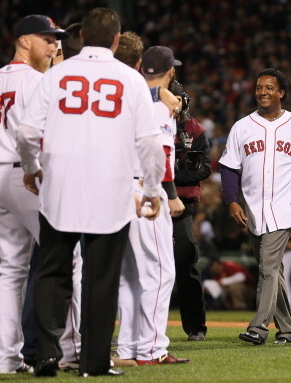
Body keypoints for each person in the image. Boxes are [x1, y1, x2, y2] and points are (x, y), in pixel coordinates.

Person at [16, 7, 165, 377]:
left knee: (52, 273)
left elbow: (25, 132)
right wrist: (151, 188)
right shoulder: (130, 81)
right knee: (101, 278)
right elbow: (149, 143)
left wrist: (32, 168)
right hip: (110, 190)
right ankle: (94, 363)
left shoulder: (56, 75)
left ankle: (47, 355)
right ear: (116, 39)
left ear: (80, 38)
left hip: (59, 188)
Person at [0, 14, 68, 374]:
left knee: (12, 270)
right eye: (47, 38)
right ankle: (72, 350)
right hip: (29, 177)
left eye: (57, 39)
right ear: (24, 41)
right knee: (66, 260)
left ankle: (7, 358)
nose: (54, 45)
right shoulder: (39, 82)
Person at [220, 68, 291, 345]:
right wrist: (231, 201)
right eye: (259, 87)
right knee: (272, 270)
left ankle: (258, 328)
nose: (263, 92)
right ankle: (286, 330)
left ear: (281, 93)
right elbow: (228, 168)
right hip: (252, 208)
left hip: (286, 206)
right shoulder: (242, 126)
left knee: (268, 266)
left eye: (269, 88)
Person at [113, 38, 189, 366]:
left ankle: (129, 348)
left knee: (130, 276)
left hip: (118, 190)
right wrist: (169, 195)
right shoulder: (159, 105)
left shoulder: (129, 96)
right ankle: (153, 348)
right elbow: (160, 153)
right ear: (170, 72)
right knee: (159, 272)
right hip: (146, 190)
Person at [170, 79, 211, 341]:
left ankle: (196, 326)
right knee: (136, 267)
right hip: (147, 202)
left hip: (180, 208)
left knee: (186, 264)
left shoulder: (194, 129)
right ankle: (130, 330)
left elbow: (204, 169)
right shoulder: (146, 120)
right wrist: (181, 171)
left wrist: (171, 174)